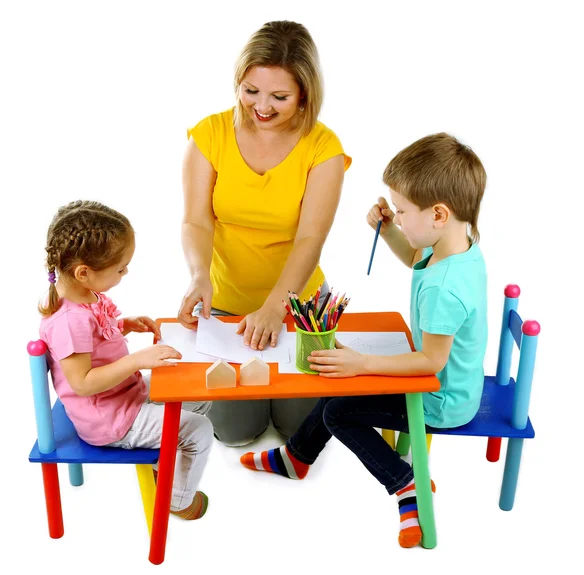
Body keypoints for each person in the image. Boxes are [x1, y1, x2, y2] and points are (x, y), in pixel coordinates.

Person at [239, 133, 488, 548]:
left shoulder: (444, 289)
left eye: (404, 210)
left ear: (439, 214)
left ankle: (407, 484)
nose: (399, 216)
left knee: (340, 411)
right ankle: (298, 457)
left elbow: (430, 363)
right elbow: (415, 257)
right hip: (448, 384)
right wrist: (392, 230)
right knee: (338, 378)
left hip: (440, 401)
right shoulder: (458, 247)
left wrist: (363, 365)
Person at [178, 20, 352, 446]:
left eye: (280, 96)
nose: (263, 106)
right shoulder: (210, 134)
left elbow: (312, 237)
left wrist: (276, 307)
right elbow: (196, 221)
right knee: (235, 432)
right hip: (227, 306)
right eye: (251, 90)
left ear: (305, 95)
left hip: (300, 307)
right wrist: (201, 275)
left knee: (301, 431)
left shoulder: (323, 147)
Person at [39, 200, 213, 520]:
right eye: (120, 268)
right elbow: (82, 382)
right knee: (199, 429)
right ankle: (176, 500)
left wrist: (123, 325)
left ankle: (165, 465)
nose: (126, 272)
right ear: (84, 273)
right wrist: (138, 361)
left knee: (200, 393)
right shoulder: (69, 320)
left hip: (123, 395)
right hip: (110, 420)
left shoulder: (84, 295)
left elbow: (92, 341)